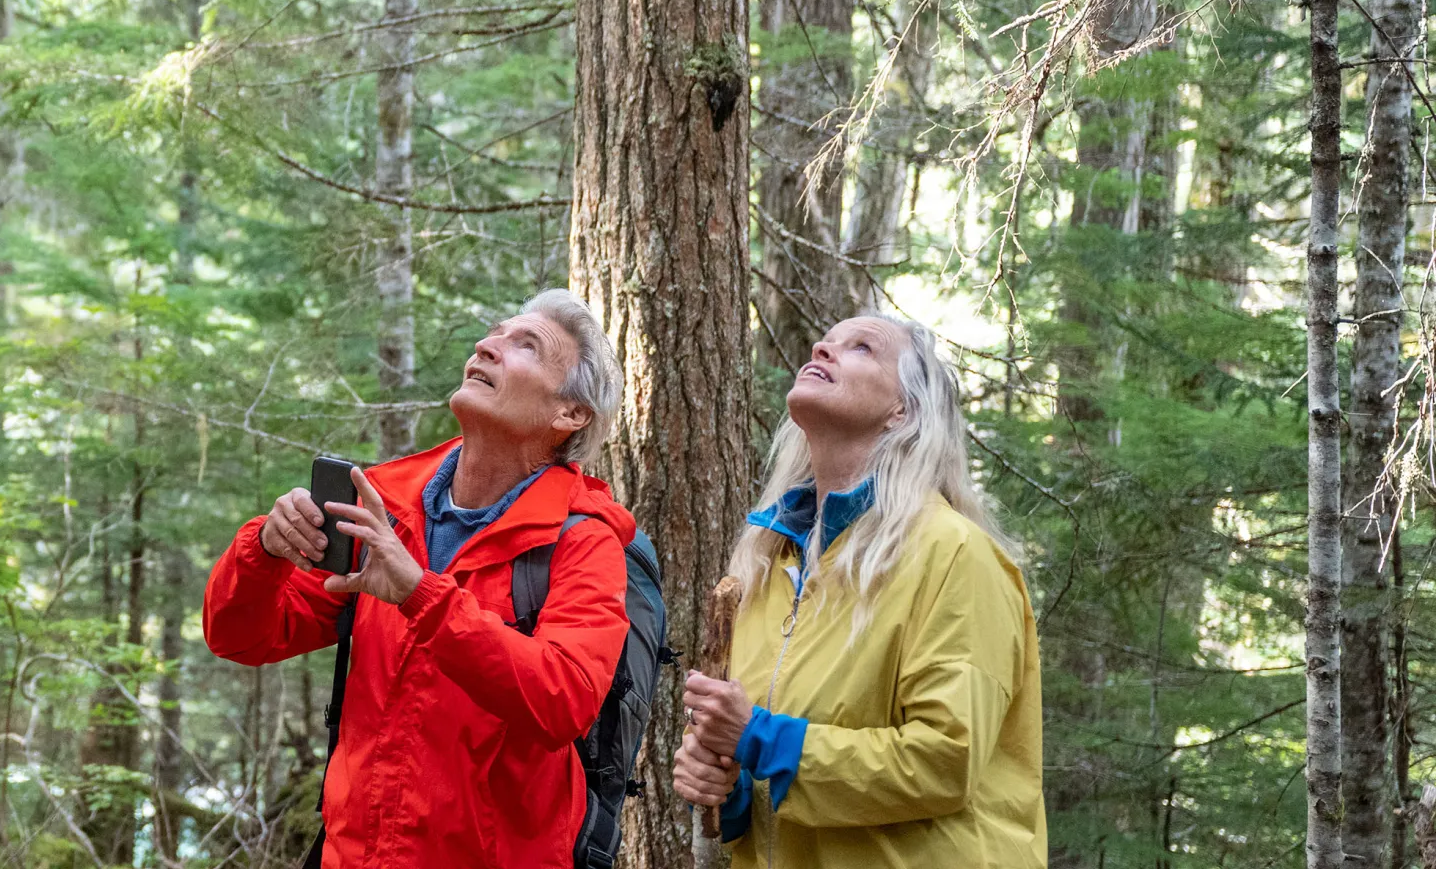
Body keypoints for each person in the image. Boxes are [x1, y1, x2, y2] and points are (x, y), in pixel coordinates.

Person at [202, 290, 636, 868]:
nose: (487, 345)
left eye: (524, 345)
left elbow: (564, 700)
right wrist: (264, 549)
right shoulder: (386, 506)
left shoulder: (581, 539)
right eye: (495, 334)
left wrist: (419, 595)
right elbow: (240, 636)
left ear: (569, 414)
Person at [673, 314, 1045, 868]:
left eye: (862, 347)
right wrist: (731, 793)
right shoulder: (769, 562)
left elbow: (945, 760)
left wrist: (759, 738)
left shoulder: (953, 553)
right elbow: (776, 772)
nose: (823, 346)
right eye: (826, 340)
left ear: (904, 411)